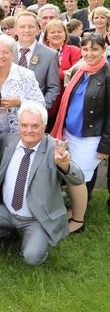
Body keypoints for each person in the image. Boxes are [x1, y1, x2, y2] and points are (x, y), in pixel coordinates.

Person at [0, 102, 84, 265]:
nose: (29, 131)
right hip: (8, 210)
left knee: (32, 257)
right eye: (24, 125)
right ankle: (8, 237)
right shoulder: (9, 141)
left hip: (35, 218)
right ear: (19, 125)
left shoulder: (54, 149)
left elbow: (78, 178)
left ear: (44, 126)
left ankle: (35, 241)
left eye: (35, 126)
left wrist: (64, 165)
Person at [50, 34, 110, 234]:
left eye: (94, 49)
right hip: (69, 133)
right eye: (85, 49)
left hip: (90, 138)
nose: (89, 54)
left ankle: (78, 220)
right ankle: (73, 209)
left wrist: (105, 145)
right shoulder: (79, 69)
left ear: (104, 50)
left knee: (78, 179)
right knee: (69, 176)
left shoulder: (108, 74)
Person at [0, 35, 45, 134]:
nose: (0, 56)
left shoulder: (26, 75)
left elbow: (40, 105)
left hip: (16, 136)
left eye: (5, 52)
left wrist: (19, 102)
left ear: (13, 54)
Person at [14, 12, 61, 110]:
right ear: (15, 30)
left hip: (35, 114)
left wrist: (40, 109)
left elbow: (53, 88)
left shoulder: (50, 55)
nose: (26, 30)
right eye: (22, 26)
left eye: (31, 26)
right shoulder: (5, 51)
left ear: (38, 29)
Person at [43, 19, 82, 124]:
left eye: (59, 31)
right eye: (52, 32)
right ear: (47, 36)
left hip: (67, 100)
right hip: (46, 100)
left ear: (65, 34)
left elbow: (75, 74)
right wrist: (63, 73)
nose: (56, 34)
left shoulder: (74, 51)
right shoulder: (41, 52)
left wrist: (53, 73)